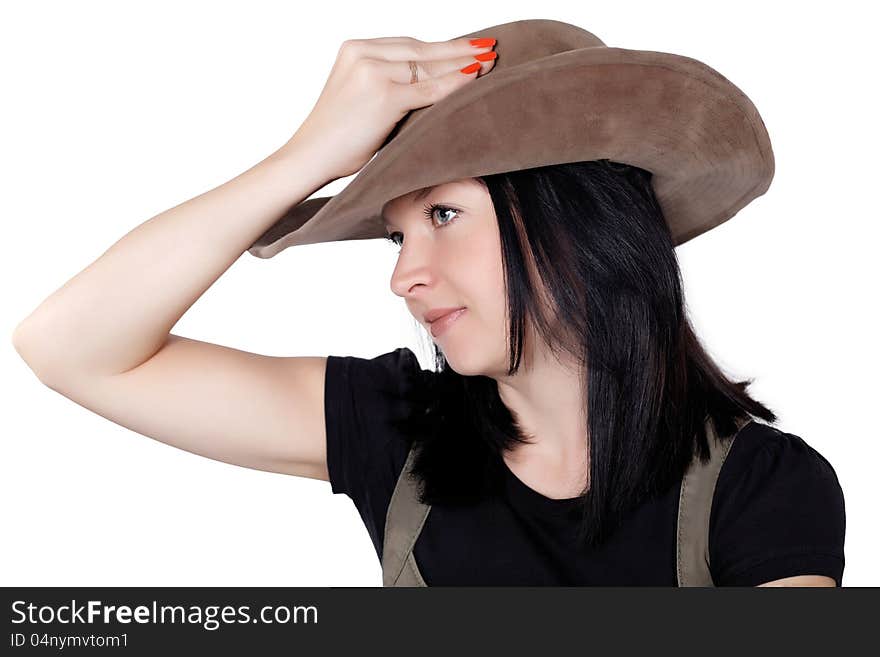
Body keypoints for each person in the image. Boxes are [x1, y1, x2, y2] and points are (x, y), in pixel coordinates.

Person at [12, 27, 844, 586]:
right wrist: (309, 155)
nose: (404, 276)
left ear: (575, 218)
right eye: (397, 235)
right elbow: (71, 346)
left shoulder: (764, 488)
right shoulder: (396, 430)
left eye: (443, 215)